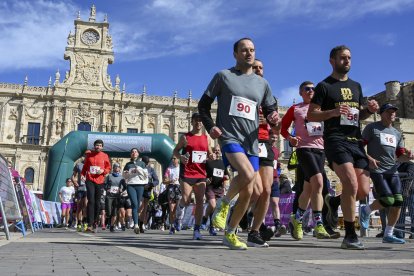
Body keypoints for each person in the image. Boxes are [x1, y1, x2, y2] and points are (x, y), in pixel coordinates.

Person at [198, 37, 280, 250]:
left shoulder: (263, 84)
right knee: (248, 174)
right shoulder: (223, 76)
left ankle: (231, 233)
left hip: (251, 141)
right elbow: (203, 105)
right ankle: (223, 205)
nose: (249, 53)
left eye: (252, 50)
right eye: (244, 50)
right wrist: (210, 127)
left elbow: (270, 108)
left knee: (252, 191)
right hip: (229, 136)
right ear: (235, 54)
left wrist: (273, 117)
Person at [307, 45, 379, 249]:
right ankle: (350, 235)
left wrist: (368, 110)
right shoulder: (324, 86)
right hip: (335, 139)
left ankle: (335, 202)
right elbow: (312, 115)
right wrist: (333, 112)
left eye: (349, 58)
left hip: (355, 140)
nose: (347, 61)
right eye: (342, 58)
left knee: (363, 191)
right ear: (332, 61)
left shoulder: (356, 86)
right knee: (350, 183)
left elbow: (357, 117)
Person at [281, 81, 330, 240]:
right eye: (307, 89)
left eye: (313, 89)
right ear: (301, 92)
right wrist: (290, 138)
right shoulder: (296, 109)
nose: (311, 91)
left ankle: (297, 219)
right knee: (319, 182)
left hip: (320, 150)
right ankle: (319, 224)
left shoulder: (321, 108)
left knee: (308, 189)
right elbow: (283, 127)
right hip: (304, 149)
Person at [359, 103, 414, 244]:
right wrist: (369, 159)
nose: (392, 114)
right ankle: (366, 210)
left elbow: (399, 155)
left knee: (398, 202)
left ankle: (388, 234)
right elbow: (359, 146)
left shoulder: (396, 133)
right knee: (388, 200)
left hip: (392, 170)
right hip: (377, 169)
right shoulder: (372, 128)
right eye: (389, 112)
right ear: (382, 113)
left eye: (394, 112)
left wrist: (408, 156)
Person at [173, 112, 211, 240]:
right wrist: (181, 157)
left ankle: (196, 229)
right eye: (196, 120)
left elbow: (210, 153)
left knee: (200, 201)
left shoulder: (206, 138)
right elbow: (175, 151)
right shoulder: (185, 137)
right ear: (192, 122)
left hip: (201, 173)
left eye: (200, 120)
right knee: (187, 199)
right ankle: (179, 211)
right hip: (187, 172)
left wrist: (212, 156)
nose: (198, 122)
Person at [81, 139, 111, 232]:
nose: (98, 146)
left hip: (100, 180)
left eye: (100, 145)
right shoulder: (89, 155)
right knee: (91, 201)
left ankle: (95, 222)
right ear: (94, 146)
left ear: (102, 147)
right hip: (90, 179)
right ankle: (89, 224)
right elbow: (85, 167)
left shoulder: (105, 156)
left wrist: (103, 171)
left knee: (97, 202)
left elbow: (108, 167)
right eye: (97, 145)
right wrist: (82, 175)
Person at [201, 145, 229, 236]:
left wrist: (225, 184)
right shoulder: (207, 162)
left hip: (220, 188)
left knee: (216, 209)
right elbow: (201, 173)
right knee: (212, 205)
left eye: (218, 150)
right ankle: (204, 219)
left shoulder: (223, 163)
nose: (217, 152)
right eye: (215, 150)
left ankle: (212, 227)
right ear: (212, 151)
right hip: (210, 187)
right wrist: (205, 179)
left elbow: (227, 176)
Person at [123, 148, 148, 234]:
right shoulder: (128, 164)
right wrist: (130, 172)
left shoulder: (142, 163)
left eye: (135, 152)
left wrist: (139, 170)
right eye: (132, 152)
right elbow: (124, 176)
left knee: (138, 205)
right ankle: (136, 225)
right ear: (131, 154)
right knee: (134, 204)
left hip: (140, 185)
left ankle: (137, 222)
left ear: (138, 154)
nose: (134, 153)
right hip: (131, 185)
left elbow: (146, 175)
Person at [268, 128, 287, 237]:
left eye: (275, 138)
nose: (274, 139)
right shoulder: (263, 148)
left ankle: (278, 224)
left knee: (275, 203)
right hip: (264, 180)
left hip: (274, 180)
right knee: (261, 204)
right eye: (272, 137)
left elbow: (276, 165)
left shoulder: (276, 151)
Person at [138, 156, 159, 233]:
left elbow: (157, 181)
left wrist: (150, 185)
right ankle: (136, 221)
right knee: (139, 206)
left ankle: (140, 224)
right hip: (138, 189)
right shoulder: (137, 168)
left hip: (147, 190)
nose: (146, 164)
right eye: (144, 162)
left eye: (147, 163)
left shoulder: (151, 169)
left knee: (145, 208)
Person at [72, 150, 90, 232]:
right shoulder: (79, 165)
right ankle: (79, 223)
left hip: (88, 187)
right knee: (79, 206)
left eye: (89, 155)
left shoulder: (92, 165)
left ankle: (85, 223)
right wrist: (74, 182)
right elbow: (73, 176)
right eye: (86, 155)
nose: (88, 156)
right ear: (84, 156)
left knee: (85, 205)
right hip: (80, 188)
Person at [163, 156, 181, 234]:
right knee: (172, 209)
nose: (173, 160)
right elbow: (164, 180)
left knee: (179, 208)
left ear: (178, 159)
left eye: (174, 158)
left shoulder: (181, 168)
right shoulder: (169, 169)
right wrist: (170, 180)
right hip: (171, 188)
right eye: (172, 159)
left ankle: (178, 221)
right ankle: (172, 226)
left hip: (180, 188)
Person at [105, 163, 123, 233]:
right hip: (109, 196)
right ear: (113, 168)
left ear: (119, 168)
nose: (116, 168)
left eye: (117, 167)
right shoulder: (109, 176)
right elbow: (104, 184)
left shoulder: (121, 177)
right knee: (109, 212)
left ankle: (112, 226)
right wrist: (107, 189)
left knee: (115, 212)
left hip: (117, 196)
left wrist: (122, 189)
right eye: (115, 167)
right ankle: (109, 222)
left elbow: (124, 186)